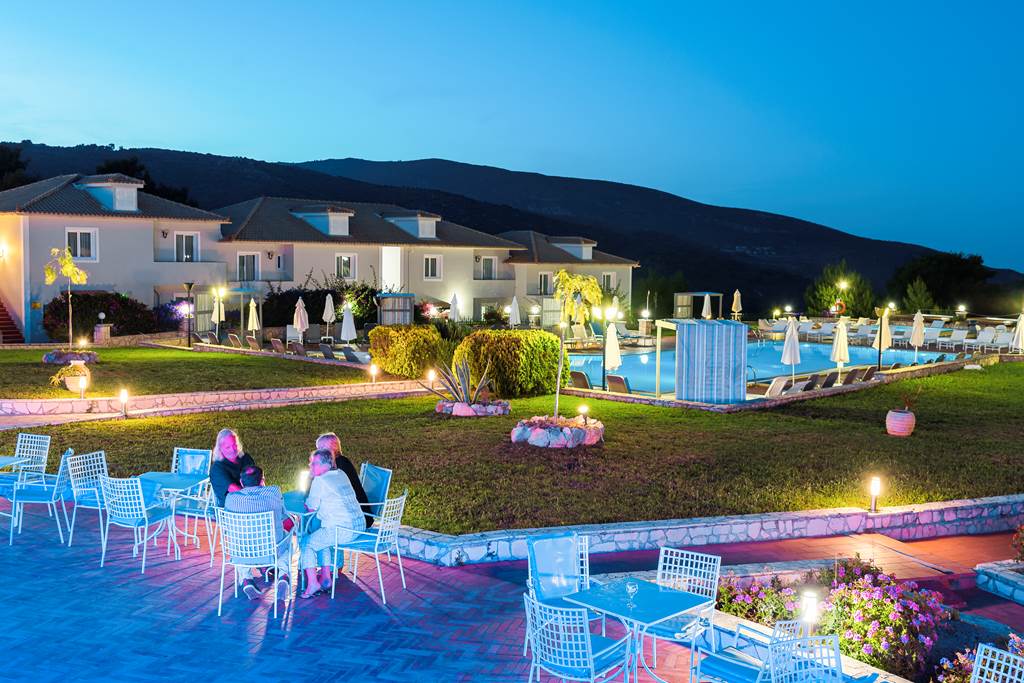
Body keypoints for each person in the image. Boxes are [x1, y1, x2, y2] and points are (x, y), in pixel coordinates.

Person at [299, 449, 366, 599]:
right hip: (359, 525)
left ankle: (313, 584)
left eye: (313, 463)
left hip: (343, 530)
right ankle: (326, 579)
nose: (310, 466)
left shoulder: (320, 480)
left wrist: (312, 481)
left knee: (306, 543)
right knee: (321, 538)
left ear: (325, 465)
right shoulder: (341, 473)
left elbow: (311, 508)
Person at [224, 466, 293, 600]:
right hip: (270, 551)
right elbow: (283, 516)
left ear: (241, 482)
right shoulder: (273, 492)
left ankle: (246, 579)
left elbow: (227, 524)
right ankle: (283, 575)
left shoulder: (231, 498)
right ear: (262, 480)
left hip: (242, 553)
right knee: (287, 539)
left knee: (238, 540)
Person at [315, 432, 372, 528]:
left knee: (314, 512)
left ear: (331, 448)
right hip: (354, 513)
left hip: (356, 516)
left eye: (320, 448)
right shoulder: (340, 461)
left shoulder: (340, 465)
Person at [210, 428, 255, 506]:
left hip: (252, 499)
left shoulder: (246, 458)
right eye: (228, 447)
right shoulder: (217, 468)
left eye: (235, 445)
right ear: (220, 449)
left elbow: (258, 478)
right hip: (233, 507)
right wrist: (256, 498)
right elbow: (235, 490)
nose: (233, 449)